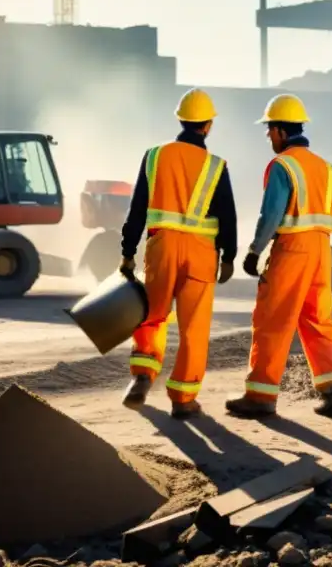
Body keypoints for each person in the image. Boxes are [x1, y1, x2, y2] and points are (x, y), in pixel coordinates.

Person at [224, 94, 332, 419]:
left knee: (273, 318)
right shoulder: (327, 168)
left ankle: (260, 396)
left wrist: (255, 250)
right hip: (322, 251)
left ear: (281, 130)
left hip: (293, 249)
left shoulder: (282, 166)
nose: (268, 136)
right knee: (318, 320)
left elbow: (272, 214)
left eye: (269, 129)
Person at [119, 87, 237, 417]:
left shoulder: (155, 156)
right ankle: (183, 399)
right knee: (193, 328)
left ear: (181, 120)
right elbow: (228, 214)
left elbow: (137, 208)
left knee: (152, 314)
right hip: (201, 254)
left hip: (162, 248)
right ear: (208, 125)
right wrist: (229, 256)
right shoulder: (216, 165)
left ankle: (142, 375)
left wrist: (128, 251)